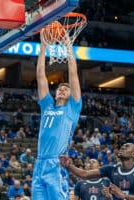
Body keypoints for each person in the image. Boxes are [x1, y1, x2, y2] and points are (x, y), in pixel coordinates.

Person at [32, 31, 82, 199]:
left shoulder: (72, 108)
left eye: (65, 88)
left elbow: (73, 73)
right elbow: (40, 76)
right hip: (39, 163)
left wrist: (68, 44)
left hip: (56, 164)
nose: (62, 88)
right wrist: (44, 45)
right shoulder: (47, 105)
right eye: (60, 87)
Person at [60, 143, 134, 200]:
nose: (122, 147)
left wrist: (124, 196)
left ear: (133, 154)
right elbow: (85, 174)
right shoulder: (110, 169)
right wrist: (69, 165)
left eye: (126, 146)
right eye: (122, 146)